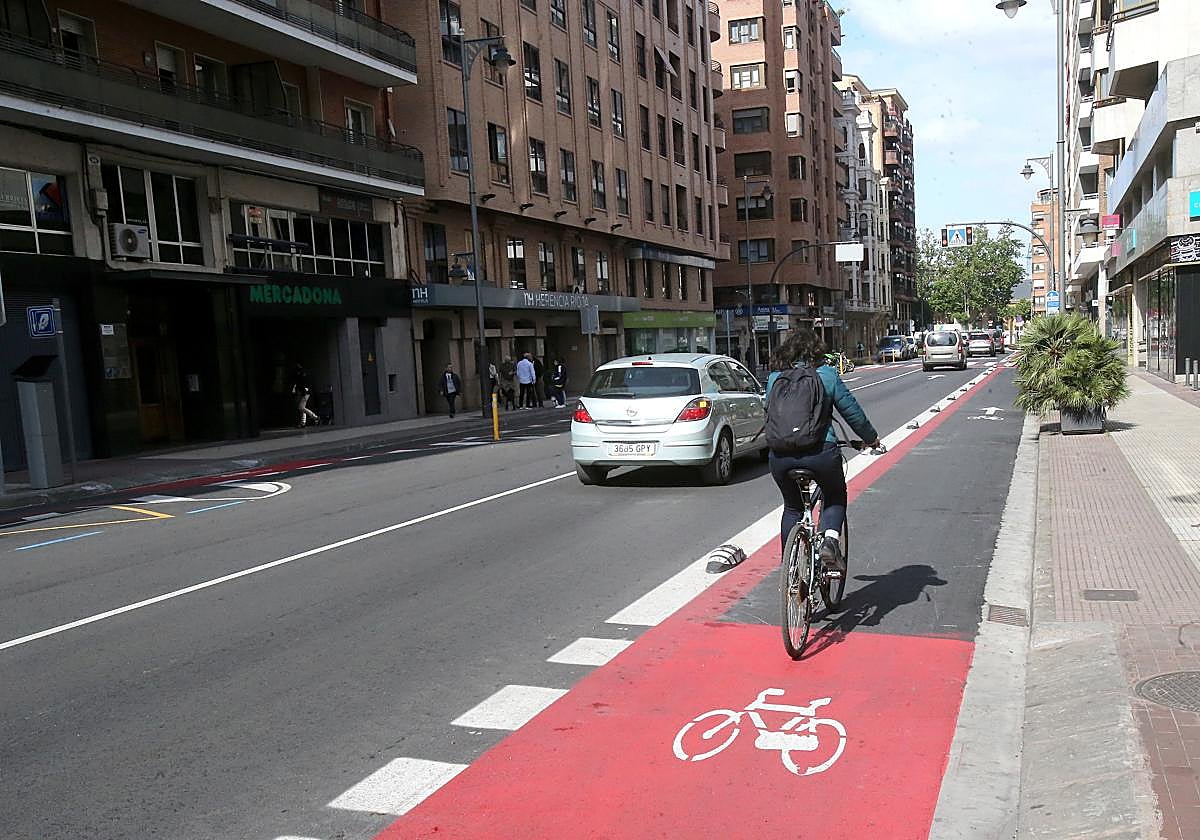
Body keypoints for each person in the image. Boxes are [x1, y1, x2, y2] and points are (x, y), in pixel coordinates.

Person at [765, 329, 881, 573]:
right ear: (817, 351)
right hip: (821, 453)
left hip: (780, 457)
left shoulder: (775, 378)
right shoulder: (827, 375)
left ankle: (791, 566)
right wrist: (871, 439)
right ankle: (829, 541)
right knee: (835, 494)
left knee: (793, 507)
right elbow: (853, 413)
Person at [289, 363, 320, 428]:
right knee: (302, 408)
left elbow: (302, 384)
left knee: (301, 407)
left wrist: (300, 390)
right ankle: (303, 423)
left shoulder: (301, 374)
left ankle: (315, 417)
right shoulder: (300, 374)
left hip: (305, 393)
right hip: (304, 392)